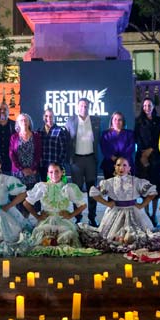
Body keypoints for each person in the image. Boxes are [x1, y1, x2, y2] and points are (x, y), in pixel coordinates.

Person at [89, 156, 156, 247]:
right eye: (118, 165)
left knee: (134, 236)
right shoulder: (109, 182)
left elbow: (152, 191)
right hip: (115, 212)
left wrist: (142, 205)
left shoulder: (135, 181)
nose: (121, 168)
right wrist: (107, 203)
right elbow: (94, 193)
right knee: (113, 237)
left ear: (129, 168)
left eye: (124, 165)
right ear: (115, 167)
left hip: (133, 211)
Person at [23, 162, 89, 249]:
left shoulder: (68, 188)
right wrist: (37, 216)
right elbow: (26, 203)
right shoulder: (42, 187)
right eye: (51, 172)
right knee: (41, 234)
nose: (54, 174)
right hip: (46, 220)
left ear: (62, 173)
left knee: (69, 235)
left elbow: (83, 205)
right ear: (47, 173)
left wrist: (70, 215)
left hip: (63, 220)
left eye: (57, 171)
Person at [65, 97, 102, 226]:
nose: (84, 108)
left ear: (89, 107)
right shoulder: (70, 121)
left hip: (91, 159)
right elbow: (67, 141)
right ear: (77, 107)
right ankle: (78, 218)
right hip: (77, 161)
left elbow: (98, 140)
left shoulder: (96, 120)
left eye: (86, 106)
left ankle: (92, 218)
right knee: (77, 191)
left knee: (92, 191)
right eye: (81, 106)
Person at [134, 98, 160, 222]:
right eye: (145, 105)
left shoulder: (159, 121)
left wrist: (151, 150)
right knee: (144, 187)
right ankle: (146, 214)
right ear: (143, 107)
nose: (147, 107)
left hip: (156, 156)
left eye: (149, 105)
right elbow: (137, 138)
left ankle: (154, 214)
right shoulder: (138, 121)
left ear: (153, 107)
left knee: (155, 187)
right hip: (142, 157)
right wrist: (144, 154)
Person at [9, 113, 42, 191]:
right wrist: (21, 169)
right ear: (18, 123)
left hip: (32, 172)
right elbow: (11, 154)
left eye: (25, 120)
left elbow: (38, 153)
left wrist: (32, 168)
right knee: (18, 197)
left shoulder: (36, 136)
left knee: (32, 198)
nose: (24, 122)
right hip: (18, 173)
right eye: (21, 120)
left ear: (29, 122)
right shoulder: (14, 137)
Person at [37, 107, 70, 181]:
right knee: (45, 189)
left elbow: (63, 150)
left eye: (51, 116)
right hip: (43, 166)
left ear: (54, 117)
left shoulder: (59, 130)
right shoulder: (39, 131)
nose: (49, 118)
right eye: (46, 116)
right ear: (44, 117)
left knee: (58, 189)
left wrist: (58, 164)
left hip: (55, 168)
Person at [100, 112, 136, 180]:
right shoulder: (105, 134)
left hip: (126, 165)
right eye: (115, 119)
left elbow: (131, 147)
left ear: (123, 122)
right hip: (110, 165)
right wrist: (112, 157)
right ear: (112, 121)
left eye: (120, 119)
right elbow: (104, 148)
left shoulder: (130, 134)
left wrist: (121, 160)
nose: (117, 121)